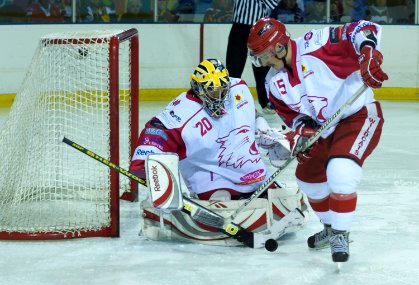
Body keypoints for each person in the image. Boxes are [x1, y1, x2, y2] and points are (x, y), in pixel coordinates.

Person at [247, 17, 388, 263]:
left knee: (340, 172)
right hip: (326, 128)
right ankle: (331, 227)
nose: (263, 62)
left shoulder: (316, 44)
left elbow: (362, 28)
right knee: (307, 177)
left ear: (279, 46)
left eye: (265, 55)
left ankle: (341, 234)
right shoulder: (273, 82)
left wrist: (368, 54)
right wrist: (304, 130)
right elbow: (293, 116)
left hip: (359, 115)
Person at [129, 58, 306, 245]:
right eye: (213, 90)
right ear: (198, 88)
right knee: (222, 202)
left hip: (251, 173)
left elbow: (250, 111)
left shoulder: (238, 88)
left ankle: (253, 202)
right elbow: (156, 131)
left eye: (223, 88)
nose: (220, 95)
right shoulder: (182, 111)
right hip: (213, 178)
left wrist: (262, 127)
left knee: (289, 203)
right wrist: (144, 166)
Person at [226, 0, 278, 115]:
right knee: (233, 71)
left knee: (262, 71)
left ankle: (265, 102)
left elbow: (272, 3)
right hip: (238, 28)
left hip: (260, 29)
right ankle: (233, 102)